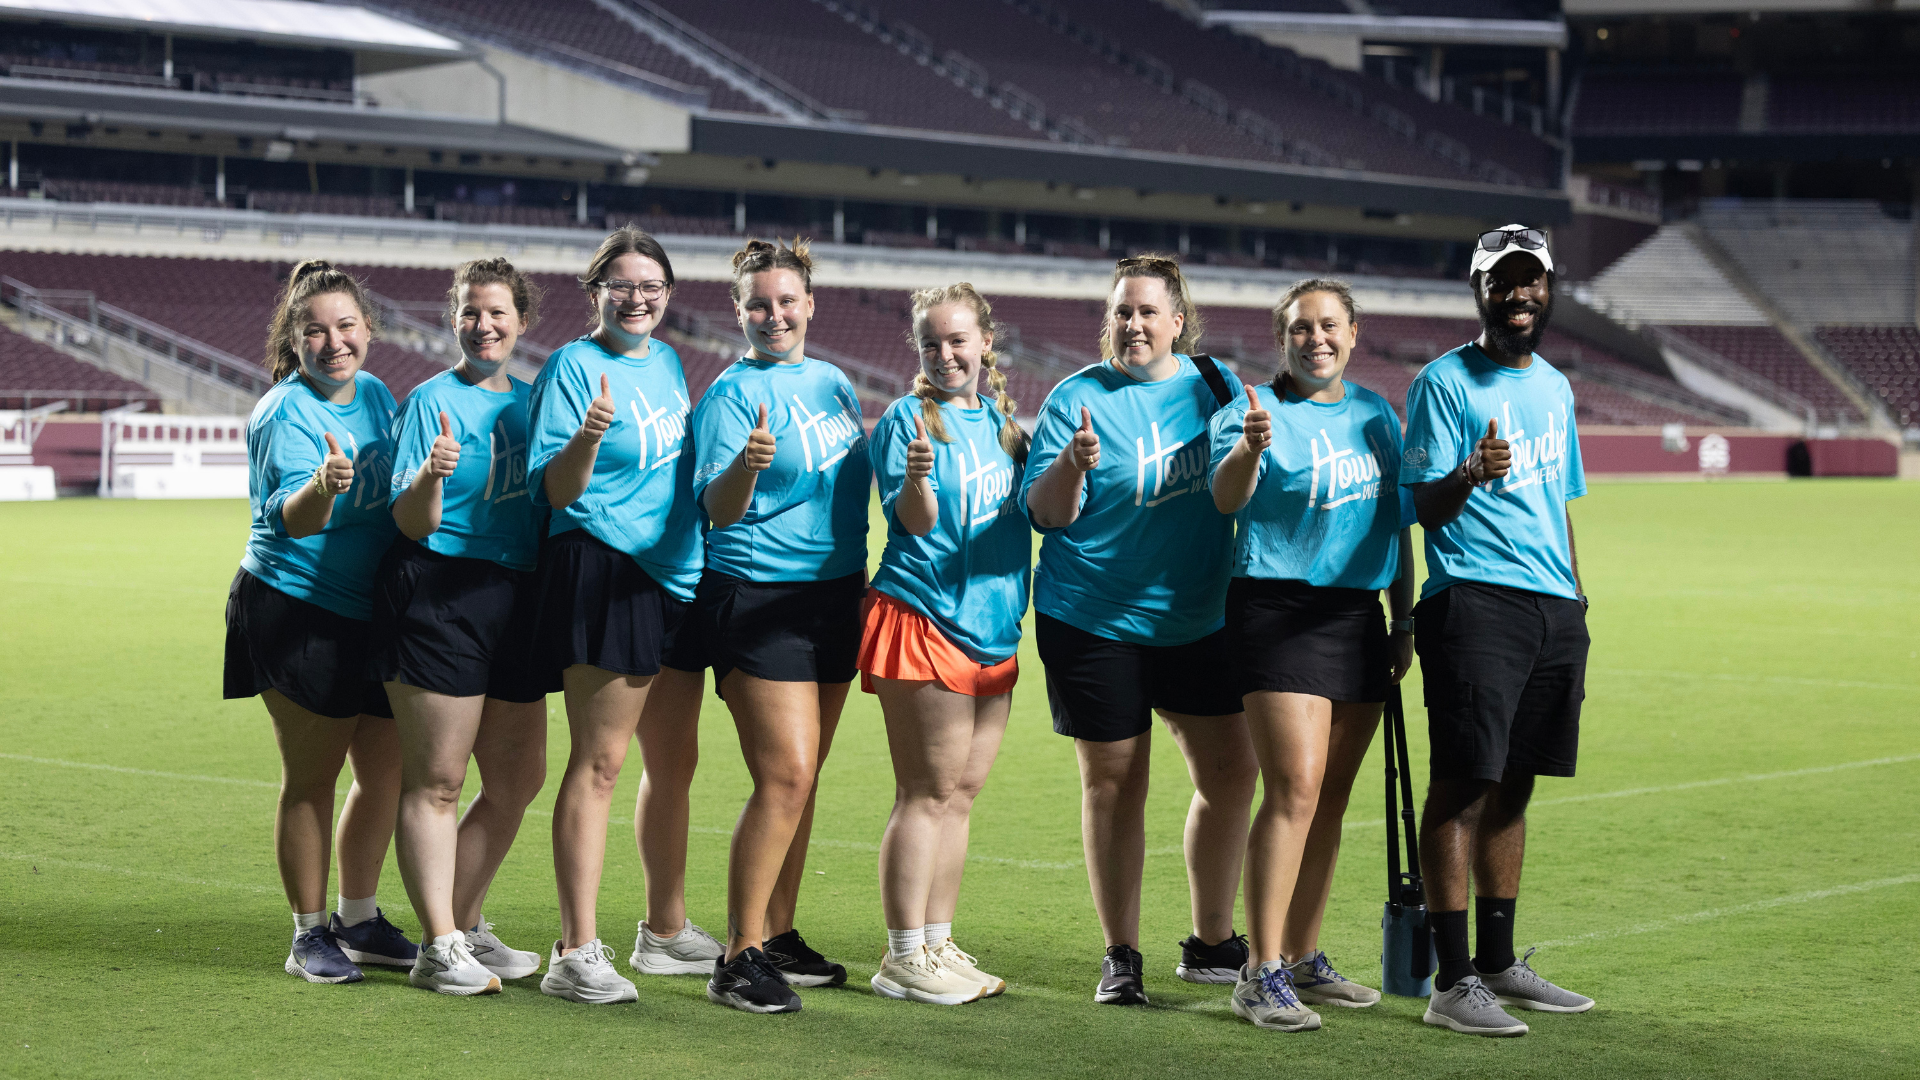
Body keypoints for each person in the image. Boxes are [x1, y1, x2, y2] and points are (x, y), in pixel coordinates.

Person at [1021, 254, 1256, 1006]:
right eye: (1122, 311)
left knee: (1230, 776)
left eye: (1148, 311)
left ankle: (1213, 943)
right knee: (1116, 785)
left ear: (1178, 322)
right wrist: (1070, 463)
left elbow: (1236, 489)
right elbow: (1045, 515)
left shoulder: (1216, 386)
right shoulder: (1076, 397)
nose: (1133, 324)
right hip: (1093, 618)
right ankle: (1121, 954)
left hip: (1198, 617)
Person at [1399, 224, 1596, 1037]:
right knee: (1463, 786)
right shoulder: (1444, 383)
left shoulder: (1555, 387)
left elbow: (1561, 502)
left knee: (1516, 785)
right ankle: (1451, 982)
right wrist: (1468, 474)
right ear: (1478, 290)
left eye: (1531, 280)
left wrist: (1579, 603)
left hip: (1554, 608)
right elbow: (1421, 504)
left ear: (1548, 289)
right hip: (1476, 600)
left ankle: (1499, 961)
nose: (1519, 293)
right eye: (1502, 280)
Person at [1207, 278, 1415, 1031]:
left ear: (1354, 334)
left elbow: (1396, 527)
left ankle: (1301, 954)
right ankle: (1259, 972)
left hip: (1358, 615)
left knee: (1329, 797)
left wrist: (1403, 623)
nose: (1316, 339)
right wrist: (1250, 452)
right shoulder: (1252, 410)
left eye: (1330, 326)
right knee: (1293, 787)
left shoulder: (1375, 415)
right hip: (1276, 608)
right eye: (1301, 328)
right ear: (1282, 337)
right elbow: (1227, 500)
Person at [525, 227, 714, 1004]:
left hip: (671, 573)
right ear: (594, 289)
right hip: (605, 568)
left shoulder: (666, 361)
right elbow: (556, 491)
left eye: (651, 286)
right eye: (622, 285)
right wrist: (588, 436)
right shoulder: (574, 366)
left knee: (675, 762)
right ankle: (574, 950)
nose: (638, 298)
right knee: (600, 764)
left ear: (668, 293)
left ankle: (663, 934)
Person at [223, 259, 417, 984]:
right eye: (315, 331)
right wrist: (322, 485)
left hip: (370, 613)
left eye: (345, 326)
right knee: (312, 777)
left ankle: (359, 920)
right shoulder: (283, 411)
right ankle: (308, 935)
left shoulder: (376, 395)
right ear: (294, 341)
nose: (333, 341)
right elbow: (292, 521)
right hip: (293, 609)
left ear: (368, 330)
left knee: (384, 775)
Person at [692, 238, 870, 1014]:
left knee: (805, 781)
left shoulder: (833, 384)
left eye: (786, 300)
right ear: (738, 312)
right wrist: (748, 465)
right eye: (758, 303)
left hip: (833, 595)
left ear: (809, 304)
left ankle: (779, 932)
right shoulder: (731, 394)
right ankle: (737, 956)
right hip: (756, 594)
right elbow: (715, 508)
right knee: (786, 776)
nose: (773, 314)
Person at [377, 257, 549, 996]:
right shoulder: (428, 401)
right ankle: (437, 945)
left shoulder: (538, 402)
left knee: (518, 778)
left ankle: (465, 922)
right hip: (439, 592)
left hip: (517, 595)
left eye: (498, 314)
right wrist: (431, 476)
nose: (484, 326)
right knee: (439, 780)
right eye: (472, 313)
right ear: (455, 318)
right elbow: (409, 523)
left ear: (521, 321)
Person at [862, 284, 1030, 1006]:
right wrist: (918, 480)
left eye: (958, 340)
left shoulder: (1005, 428)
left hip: (994, 626)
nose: (946, 354)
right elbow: (914, 521)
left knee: (960, 796)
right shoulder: (905, 420)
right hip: (924, 618)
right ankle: (902, 956)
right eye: (932, 343)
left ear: (985, 342)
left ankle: (936, 940)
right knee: (924, 793)